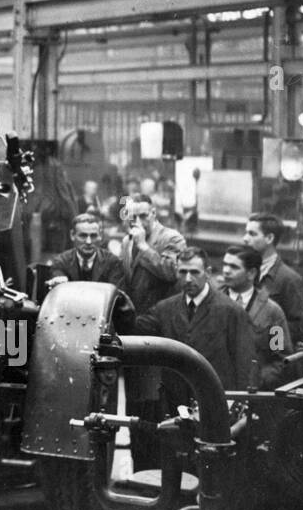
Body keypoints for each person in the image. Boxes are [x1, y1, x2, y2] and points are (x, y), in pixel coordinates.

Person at [136, 247, 255, 413]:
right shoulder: (165, 308)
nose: (188, 279)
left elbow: (245, 362)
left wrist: (240, 403)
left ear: (207, 273)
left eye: (194, 272)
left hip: (214, 403)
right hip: (175, 403)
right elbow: (138, 328)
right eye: (182, 272)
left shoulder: (232, 312)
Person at [119, 195, 185, 470]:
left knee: (160, 406)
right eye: (132, 217)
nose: (138, 222)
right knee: (136, 409)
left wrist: (144, 245)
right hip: (137, 334)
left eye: (143, 215)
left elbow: (172, 272)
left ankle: (164, 474)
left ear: (154, 213)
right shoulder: (126, 242)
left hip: (162, 333)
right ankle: (140, 470)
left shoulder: (172, 238)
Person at [220, 245, 289, 390]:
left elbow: (280, 358)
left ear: (251, 273)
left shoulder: (272, 313)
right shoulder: (211, 304)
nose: (226, 270)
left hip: (254, 394)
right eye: (225, 264)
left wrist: (258, 379)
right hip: (216, 389)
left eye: (233, 267)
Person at [242, 213, 303, 344]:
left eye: (252, 234)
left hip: (270, 355)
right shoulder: (243, 273)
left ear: (269, 238)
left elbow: (299, 327)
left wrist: (267, 337)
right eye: (246, 233)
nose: (245, 239)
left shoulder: (290, 280)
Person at [48, 213, 128, 289]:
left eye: (93, 236)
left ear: (100, 236)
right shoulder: (61, 262)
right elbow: (58, 282)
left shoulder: (112, 263)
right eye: (83, 236)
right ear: (72, 235)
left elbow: (118, 296)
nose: (88, 242)